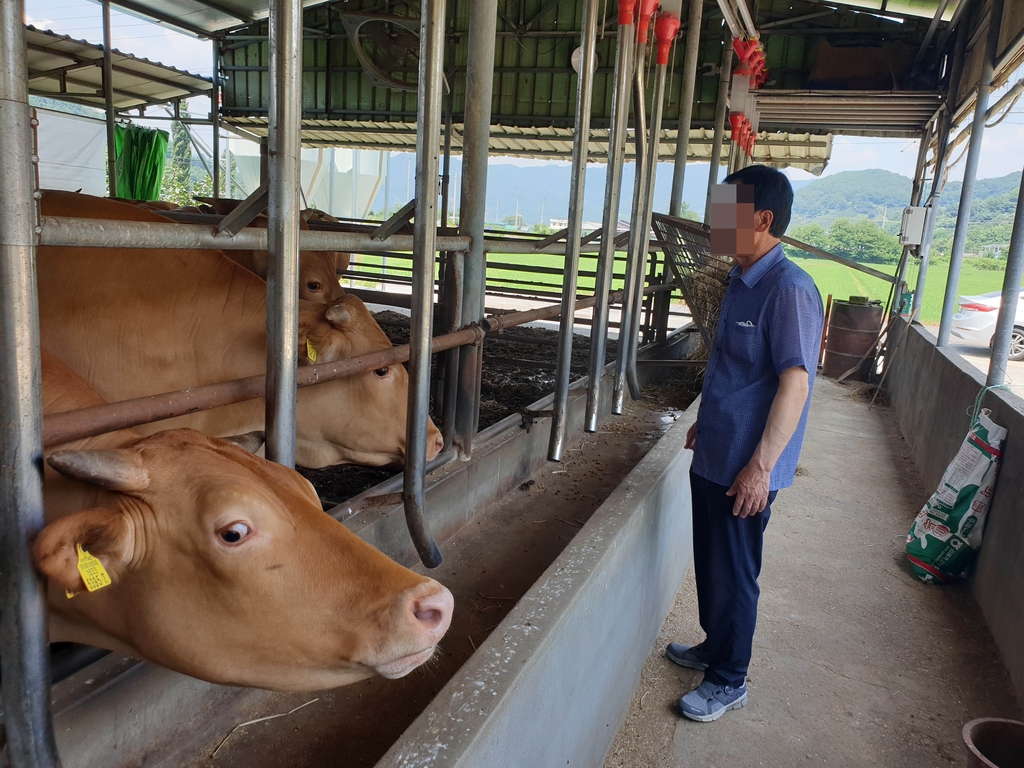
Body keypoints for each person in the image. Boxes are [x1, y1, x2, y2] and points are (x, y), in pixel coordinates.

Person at [667, 165, 823, 723]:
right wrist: (705, 422)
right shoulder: (739, 278)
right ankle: (715, 646)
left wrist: (761, 469)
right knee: (711, 561)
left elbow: (795, 383)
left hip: (744, 467)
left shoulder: (789, 289)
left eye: (726, 213)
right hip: (714, 450)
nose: (715, 224)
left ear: (761, 219)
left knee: (736, 572)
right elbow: (733, 368)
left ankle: (730, 679)